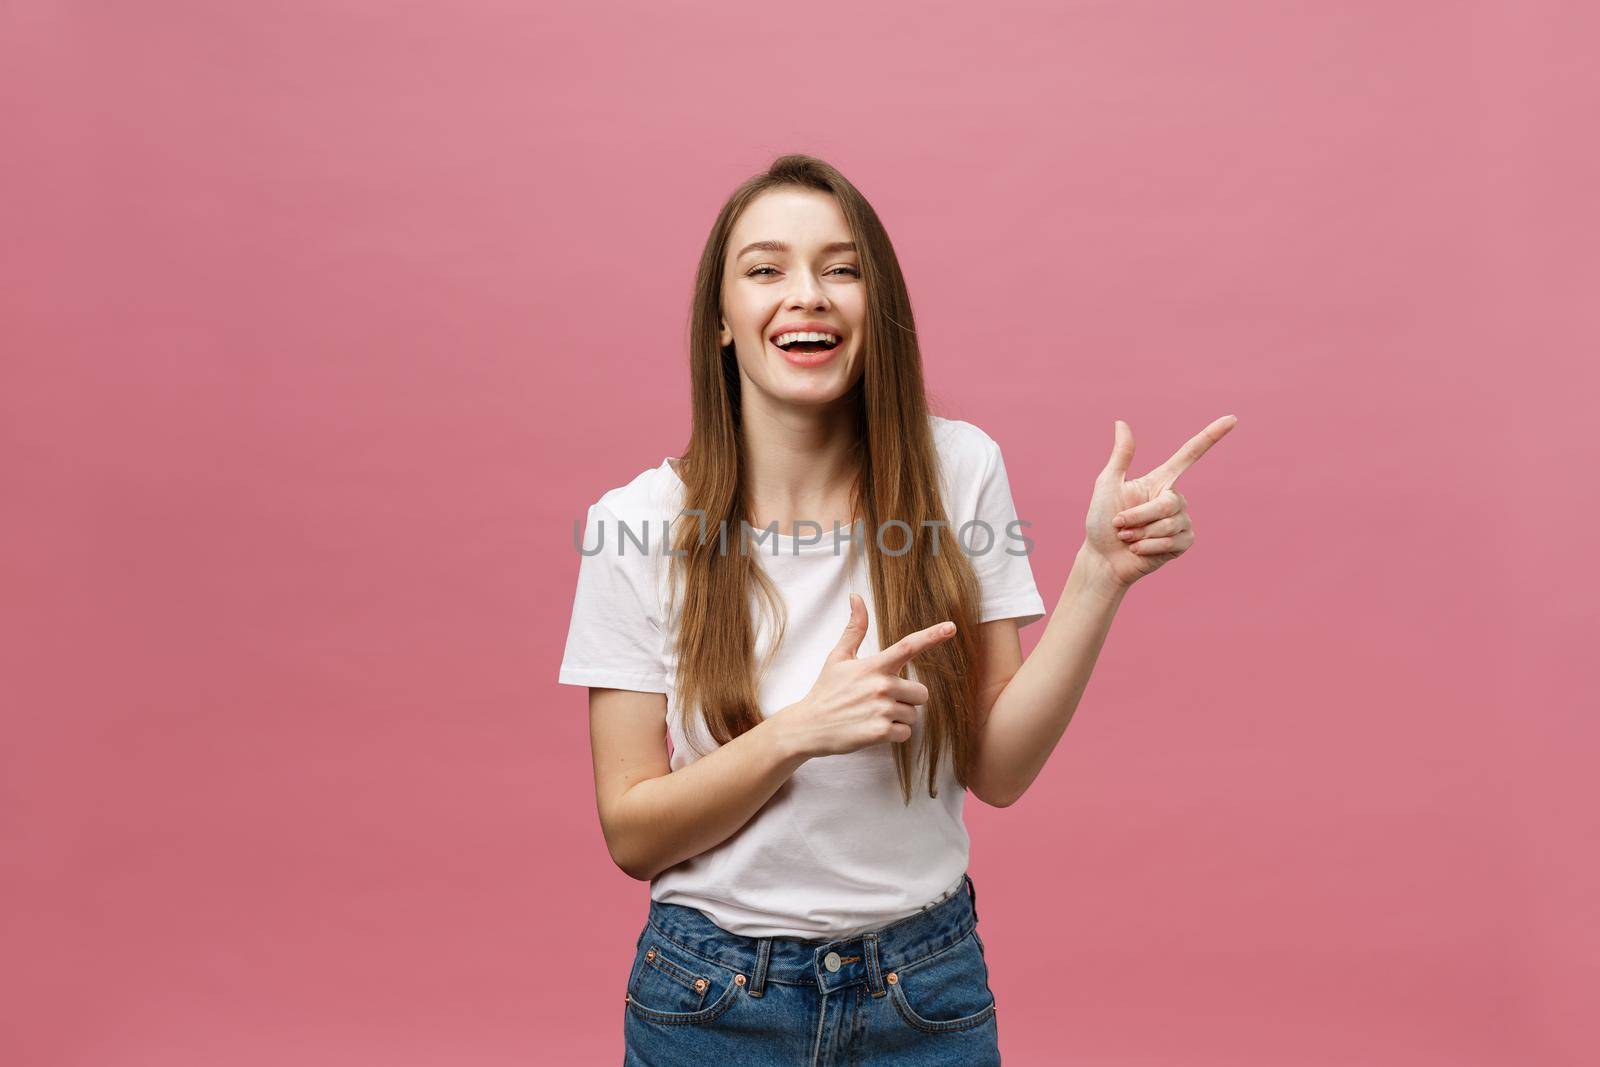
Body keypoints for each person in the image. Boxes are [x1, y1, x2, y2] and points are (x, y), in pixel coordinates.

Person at [558, 153, 1236, 1065]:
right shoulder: (636, 525)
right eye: (766, 270)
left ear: (876, 308)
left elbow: (997, 769)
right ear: (722, 321)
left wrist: (1099, 575)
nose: (808, 295)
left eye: (842, 269)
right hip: (712, 1002)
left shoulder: (958, 473)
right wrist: (800, 730)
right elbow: (632, 832)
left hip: (921, 992)